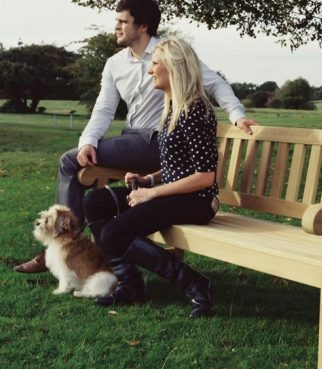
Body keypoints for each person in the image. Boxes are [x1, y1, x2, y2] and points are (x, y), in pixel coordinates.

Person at [14, 0, 257, 273]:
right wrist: (88, 142)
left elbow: (215, 83)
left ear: (142, 26)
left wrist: (236, 114)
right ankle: (84, 253)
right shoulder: (114, 63)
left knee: (69, 162)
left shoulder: (168, 54)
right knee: (78, 161)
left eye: (123, 21)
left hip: (158, 141)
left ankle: (64, 245)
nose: (116, 26)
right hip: (132, 139)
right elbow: (104, 109)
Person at [83, 36, 218, 318]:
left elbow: (205, 177)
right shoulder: (172, 108)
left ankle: (195, 284)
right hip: (174, 193)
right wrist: (149, 180)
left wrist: (153, 193)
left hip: (196, 201)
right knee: (95, 202)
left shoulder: (196, 111)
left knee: (115, 232)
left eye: (155, 64)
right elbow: (177, 165)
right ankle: (131, 284)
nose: (149, 70)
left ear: (174, 67)